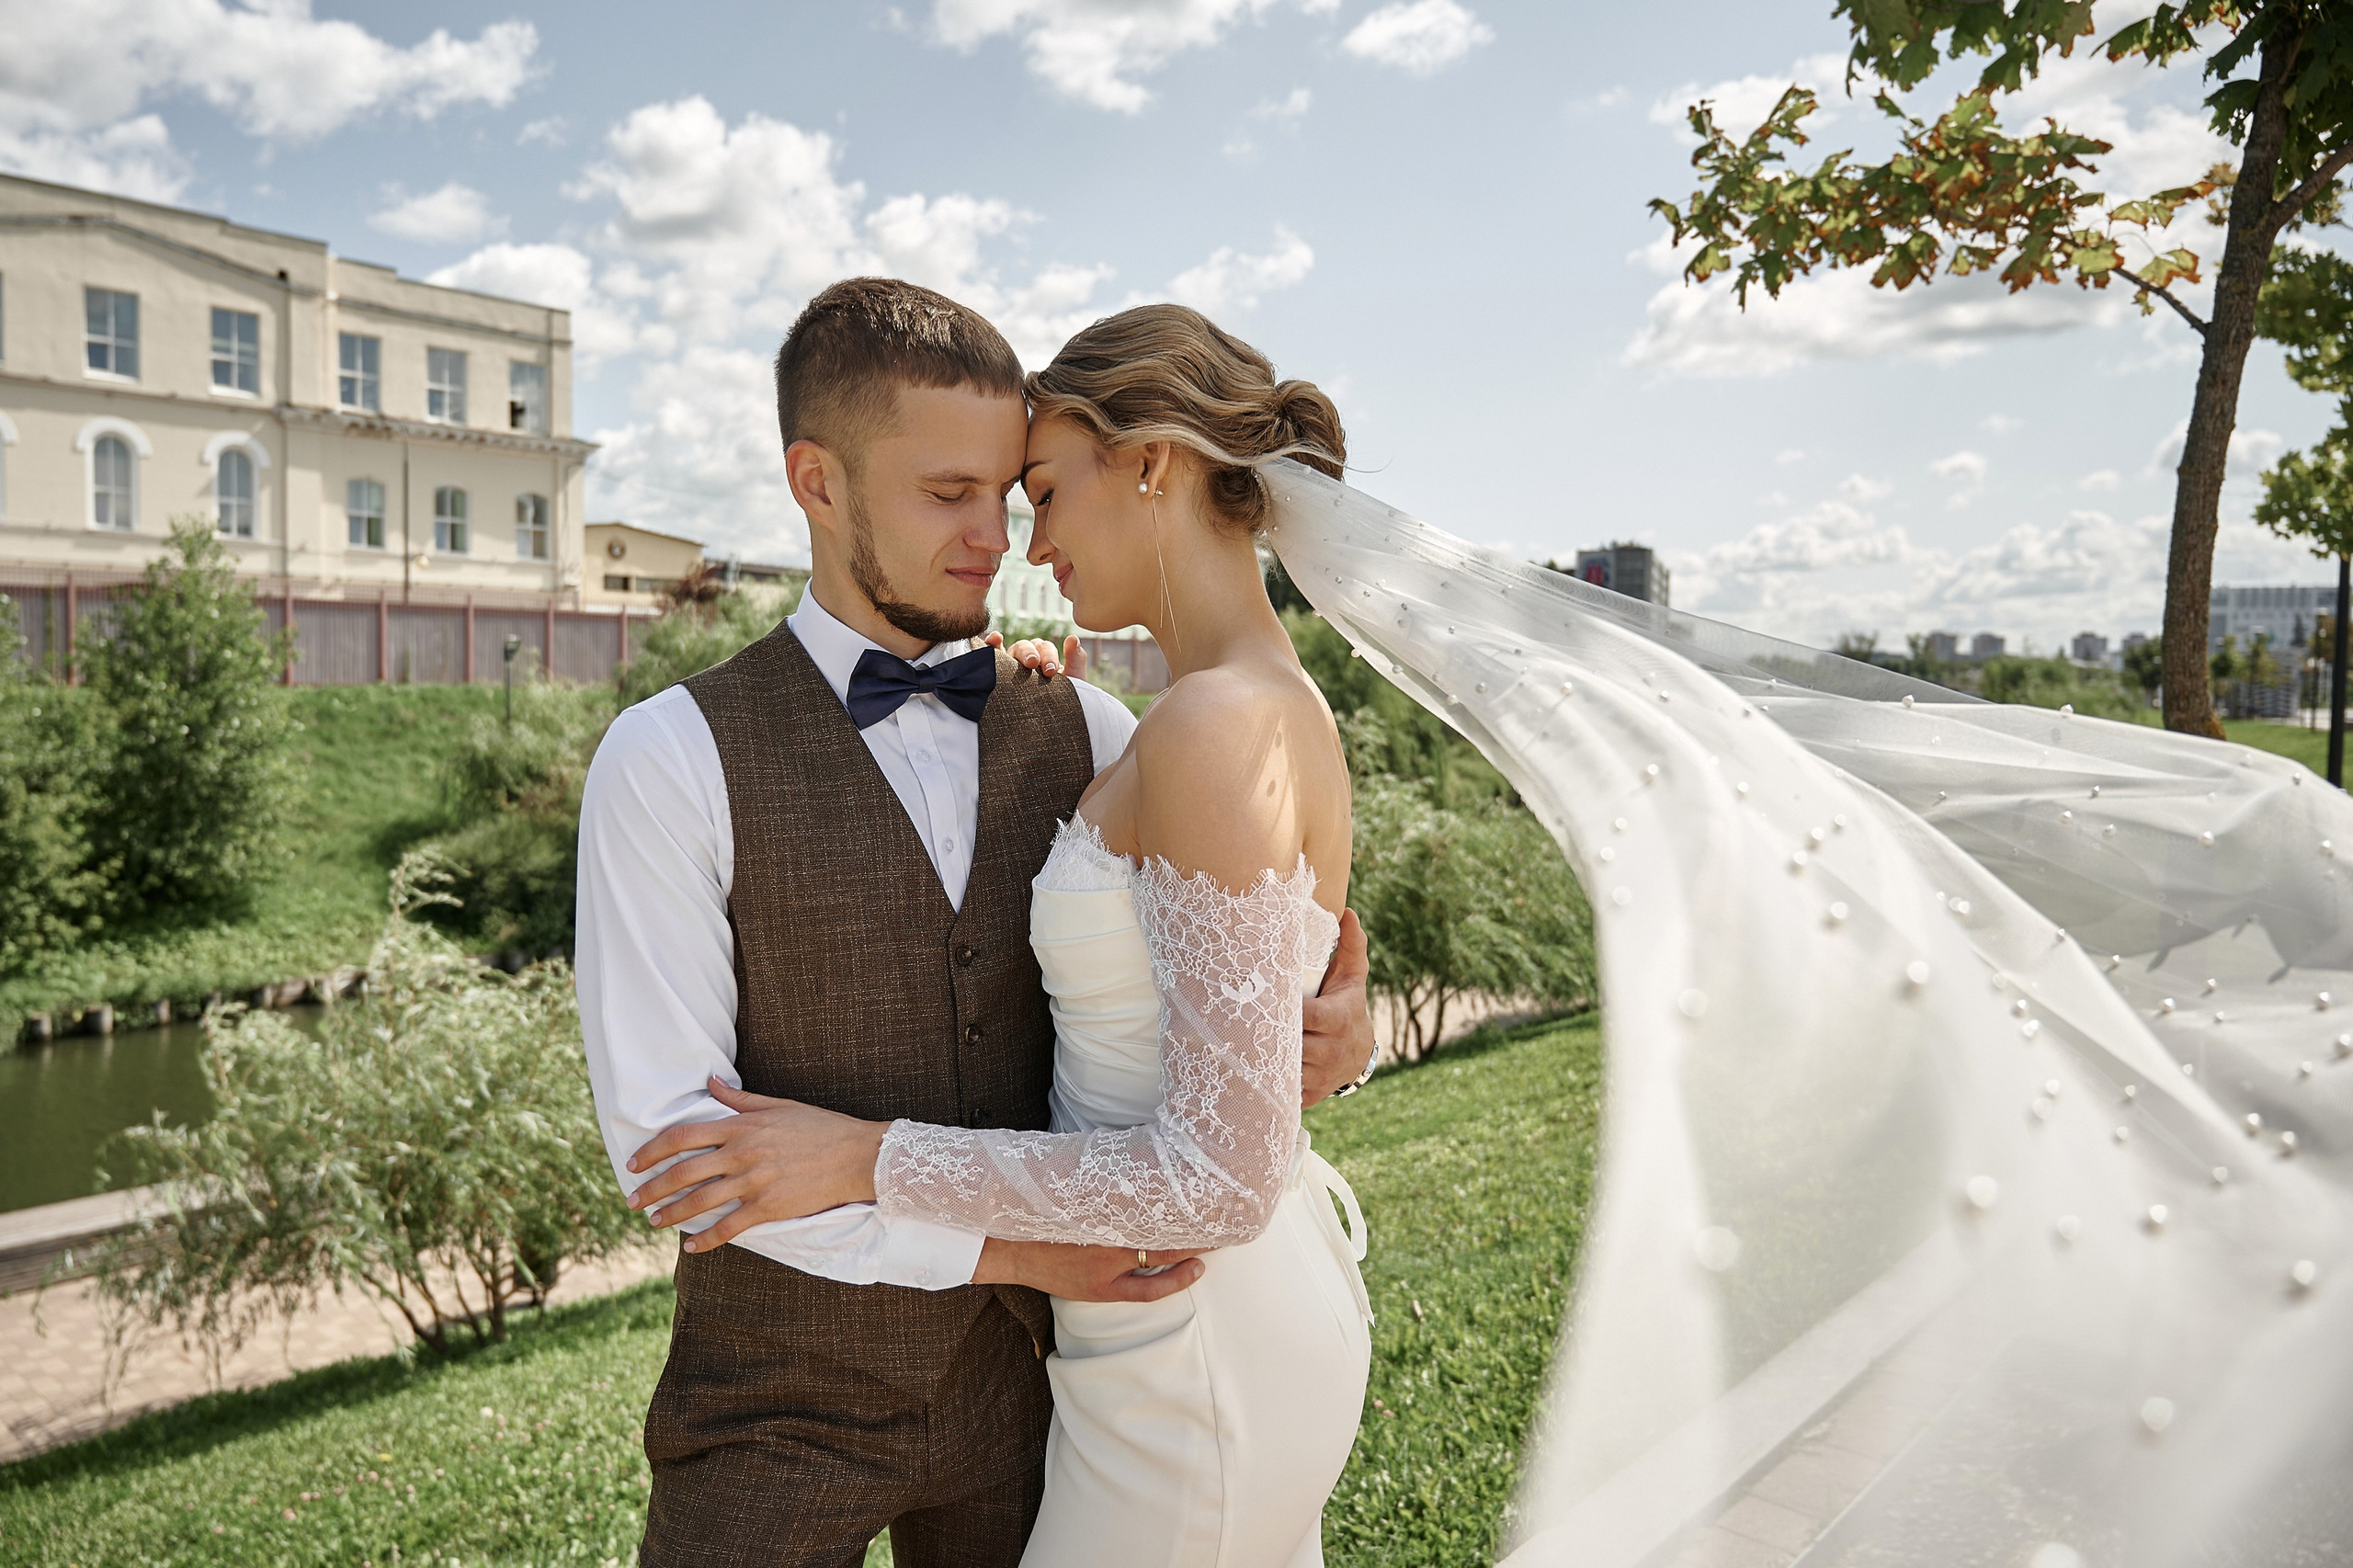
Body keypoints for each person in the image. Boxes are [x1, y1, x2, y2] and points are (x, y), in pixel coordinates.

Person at [576, 281, 1376, 1568]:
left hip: (1047, 1396)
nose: (997, 540)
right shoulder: (667, 758)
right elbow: (674, 1148)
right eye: (950, 493)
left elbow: (1258, 930)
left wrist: (1338, 1023)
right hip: (780, 1408)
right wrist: (1014, 1243)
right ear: (817, 483)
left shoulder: (1101, 729)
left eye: (1015, 492)